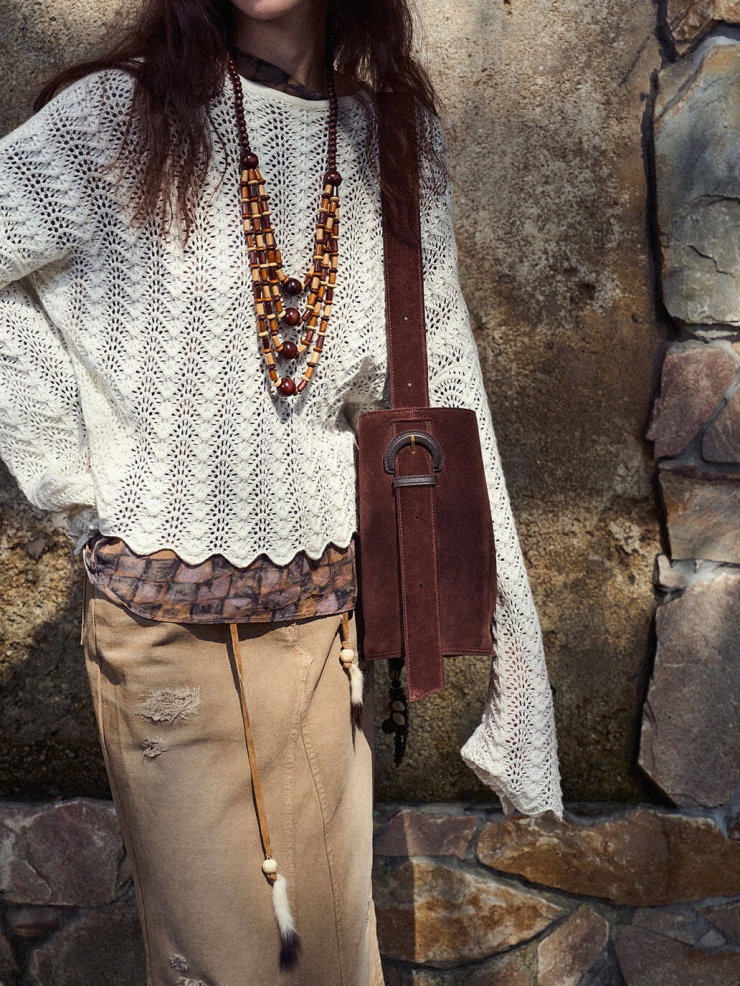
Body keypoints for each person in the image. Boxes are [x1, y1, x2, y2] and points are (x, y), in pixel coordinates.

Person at [0, 0, 564, 983]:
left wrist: (517, 661)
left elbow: (445, 391)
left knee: (336, 958)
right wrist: (72, 473)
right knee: (216, 961)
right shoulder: (111, 124)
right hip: (163, 635)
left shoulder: (393, 141)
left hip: (320, 641)